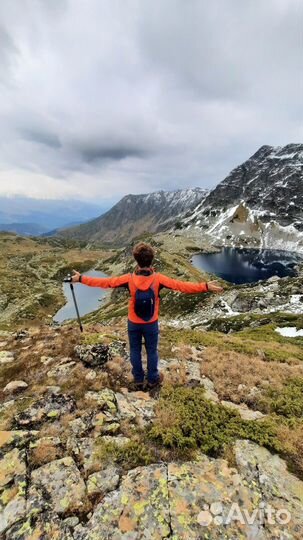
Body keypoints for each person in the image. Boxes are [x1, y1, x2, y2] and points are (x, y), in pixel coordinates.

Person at [72, 242, 223, 390]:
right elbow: (181, 286)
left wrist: (81, 279)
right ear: (151, 260)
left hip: (133, 322)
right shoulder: (159, 279)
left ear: (136, 260)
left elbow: (106, 282)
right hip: (151, 322)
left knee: (135, 350)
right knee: (152, 351)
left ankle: (138, 379)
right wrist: (205, 287)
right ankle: (152, 379)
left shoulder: (128, 279)